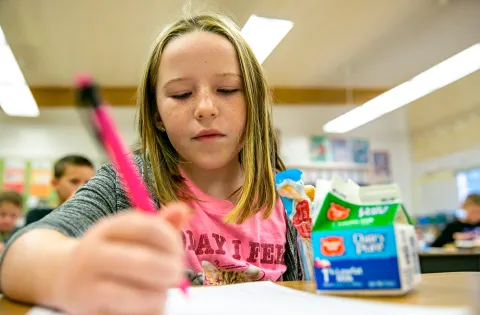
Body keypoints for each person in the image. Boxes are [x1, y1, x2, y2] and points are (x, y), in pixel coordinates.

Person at [0, 12, 303, 315]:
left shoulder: (289, 197)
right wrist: (73, 270)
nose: (206, 108)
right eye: (181, 94)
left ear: (254, 100)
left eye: (227, 90)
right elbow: (20, 253)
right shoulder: (125, 183)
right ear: (157, 113)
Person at [24, 155, 95, 226]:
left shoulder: (96, 219)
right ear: (55, 183)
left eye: (88, 182)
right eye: (74, 182)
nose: (82, 187)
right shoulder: (37, 216)